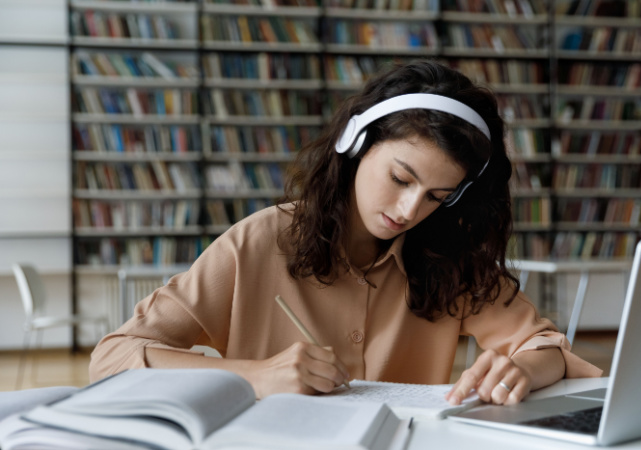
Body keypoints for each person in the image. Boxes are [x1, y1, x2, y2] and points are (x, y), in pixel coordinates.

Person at [89, 60, 601, 406]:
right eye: (401, 178)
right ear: (355, 145)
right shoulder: (260, 242)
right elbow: (113, 359)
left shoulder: (449, 257)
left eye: (437, 197)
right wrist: (255, 375)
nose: (409, 209)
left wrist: (527, 370)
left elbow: (544, 345)